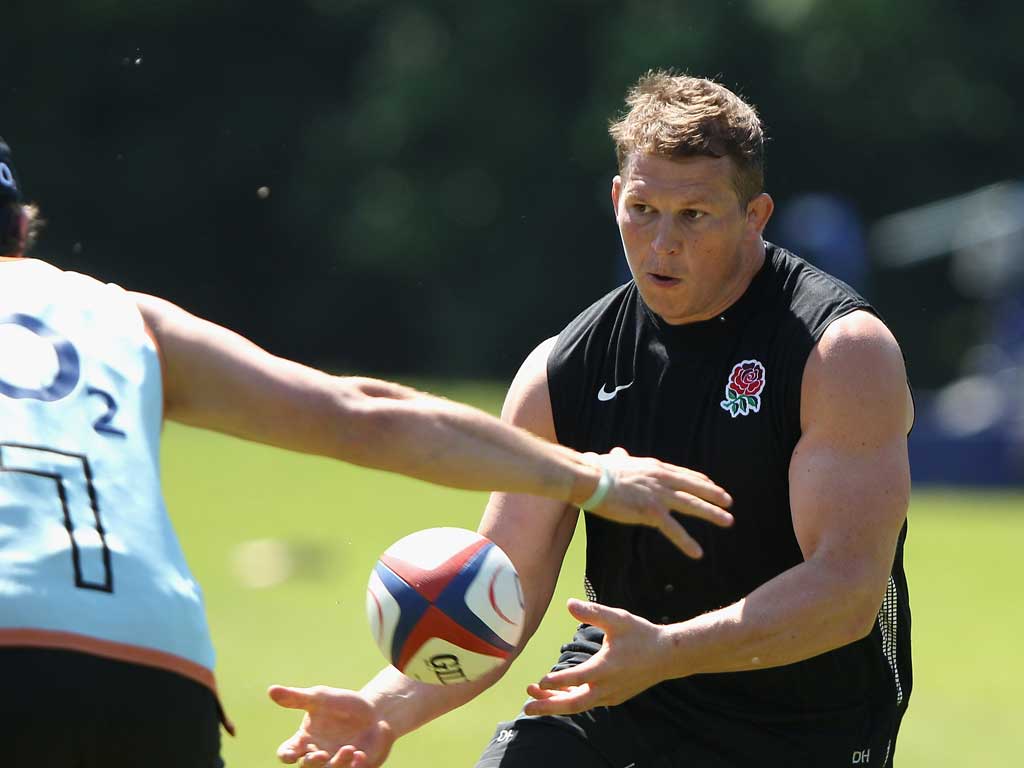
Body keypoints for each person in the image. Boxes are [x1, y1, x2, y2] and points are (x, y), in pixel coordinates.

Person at [0, 136, 735, 767]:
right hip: (150, 664)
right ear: (23, 227)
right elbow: (360, 413)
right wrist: (593, 476)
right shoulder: (119, 315)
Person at [272, 71, 914, 768]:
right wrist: (382, 710)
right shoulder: (562, 371)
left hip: (800, 724)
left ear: (754, 217)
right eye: (643, 208)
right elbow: (501, 593)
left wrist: (668, 652)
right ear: (616, 199)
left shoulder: (838, 352)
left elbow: (847, 590)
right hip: (615, 690)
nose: (662, 243)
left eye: (693, 215)